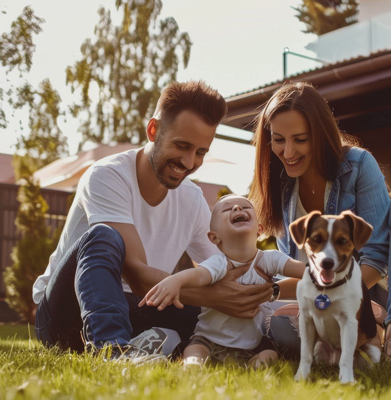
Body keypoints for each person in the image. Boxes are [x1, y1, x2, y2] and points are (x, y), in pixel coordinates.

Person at [32, 81, 274, 360]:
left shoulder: (192, 199)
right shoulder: (107, 176)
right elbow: (137, 275)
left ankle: (183, 348)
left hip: (138, 307)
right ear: (153, 130)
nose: (188, 161)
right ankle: (112, 351)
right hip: (66, 314)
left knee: (208, 310)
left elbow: (226, 269)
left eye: (200, 152)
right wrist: (216, 298)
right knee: (103, 235)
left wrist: (262, 295)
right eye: (181, 146)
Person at [247, 82, 391, 362]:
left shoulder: (359, 165)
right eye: (279, 140)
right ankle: (356, 341)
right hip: (330, 298)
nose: (288, 152)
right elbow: (302, 272)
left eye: (300, 139)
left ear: (321, 135)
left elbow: (378, 258)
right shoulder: (281, 188)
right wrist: (269, 290)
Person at [140, 194, 305, 367]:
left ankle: (254, 366)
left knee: (270, 354)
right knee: (195, 350)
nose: (237, 208)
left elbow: (300, 269)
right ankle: (193, 365)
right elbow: (199, 275)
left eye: (245, 207)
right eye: (227, 209)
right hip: (209, 339)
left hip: (252, 343)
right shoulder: (220, 263)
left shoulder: (269, 259)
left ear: (260, 229)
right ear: (214, 238)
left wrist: (319, 272)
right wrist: (176, 281)